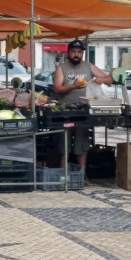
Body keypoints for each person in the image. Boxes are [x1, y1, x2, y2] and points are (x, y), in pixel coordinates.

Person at [53, 39, 112, 169]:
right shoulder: (61, 68)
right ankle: (64, 174)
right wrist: (73, 86)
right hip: (66, 112)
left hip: (83, 112)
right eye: (73, 51)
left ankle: (82, 175)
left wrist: (101, 79)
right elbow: (57, 88)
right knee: (64, 145)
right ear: (68, 53)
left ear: (82, 54)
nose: (76, 54)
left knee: (82, 144)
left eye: (79, 52)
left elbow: (109, 79)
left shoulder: (89, 66)